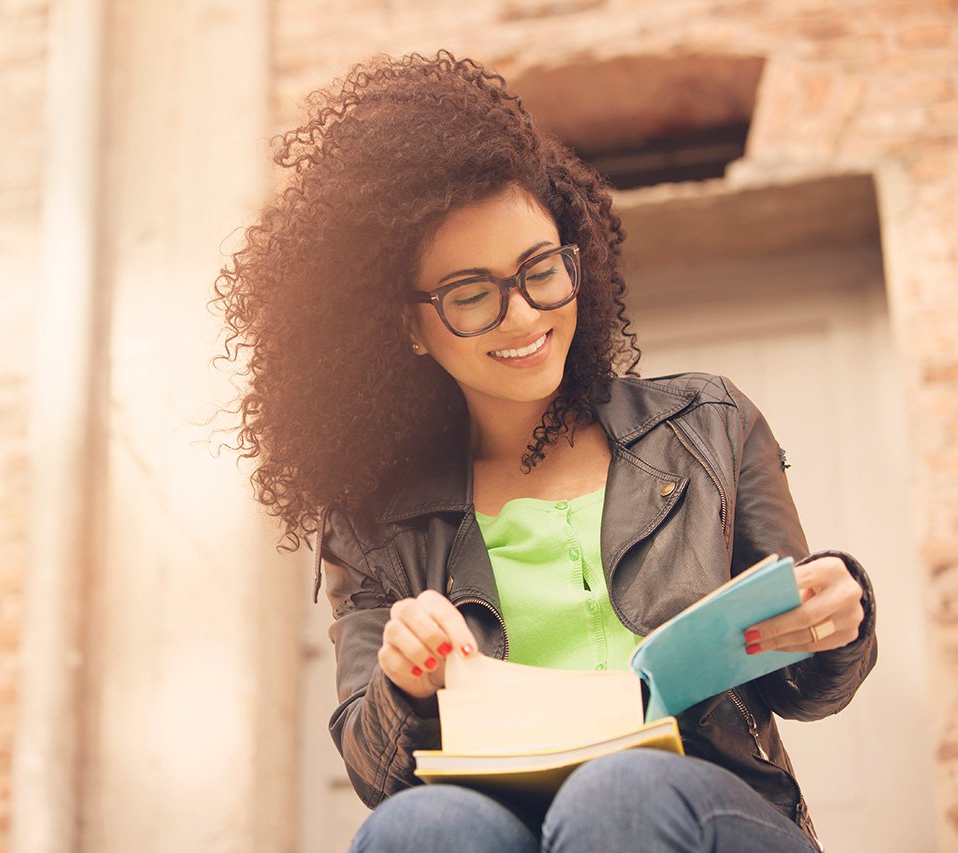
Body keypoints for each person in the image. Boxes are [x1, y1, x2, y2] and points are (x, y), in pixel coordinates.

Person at [215, 50, 875, 852]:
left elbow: (800, 685)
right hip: (506, 823)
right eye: (470, 293)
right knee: (416, 826)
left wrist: (841, 621)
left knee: (618, 796)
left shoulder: (710, 423)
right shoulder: (376, 522)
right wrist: (405, 687)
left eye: (539, 269)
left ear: (576, 259)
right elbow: (378, 772)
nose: (523, 315)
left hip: (710, 812)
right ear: (407, 327)